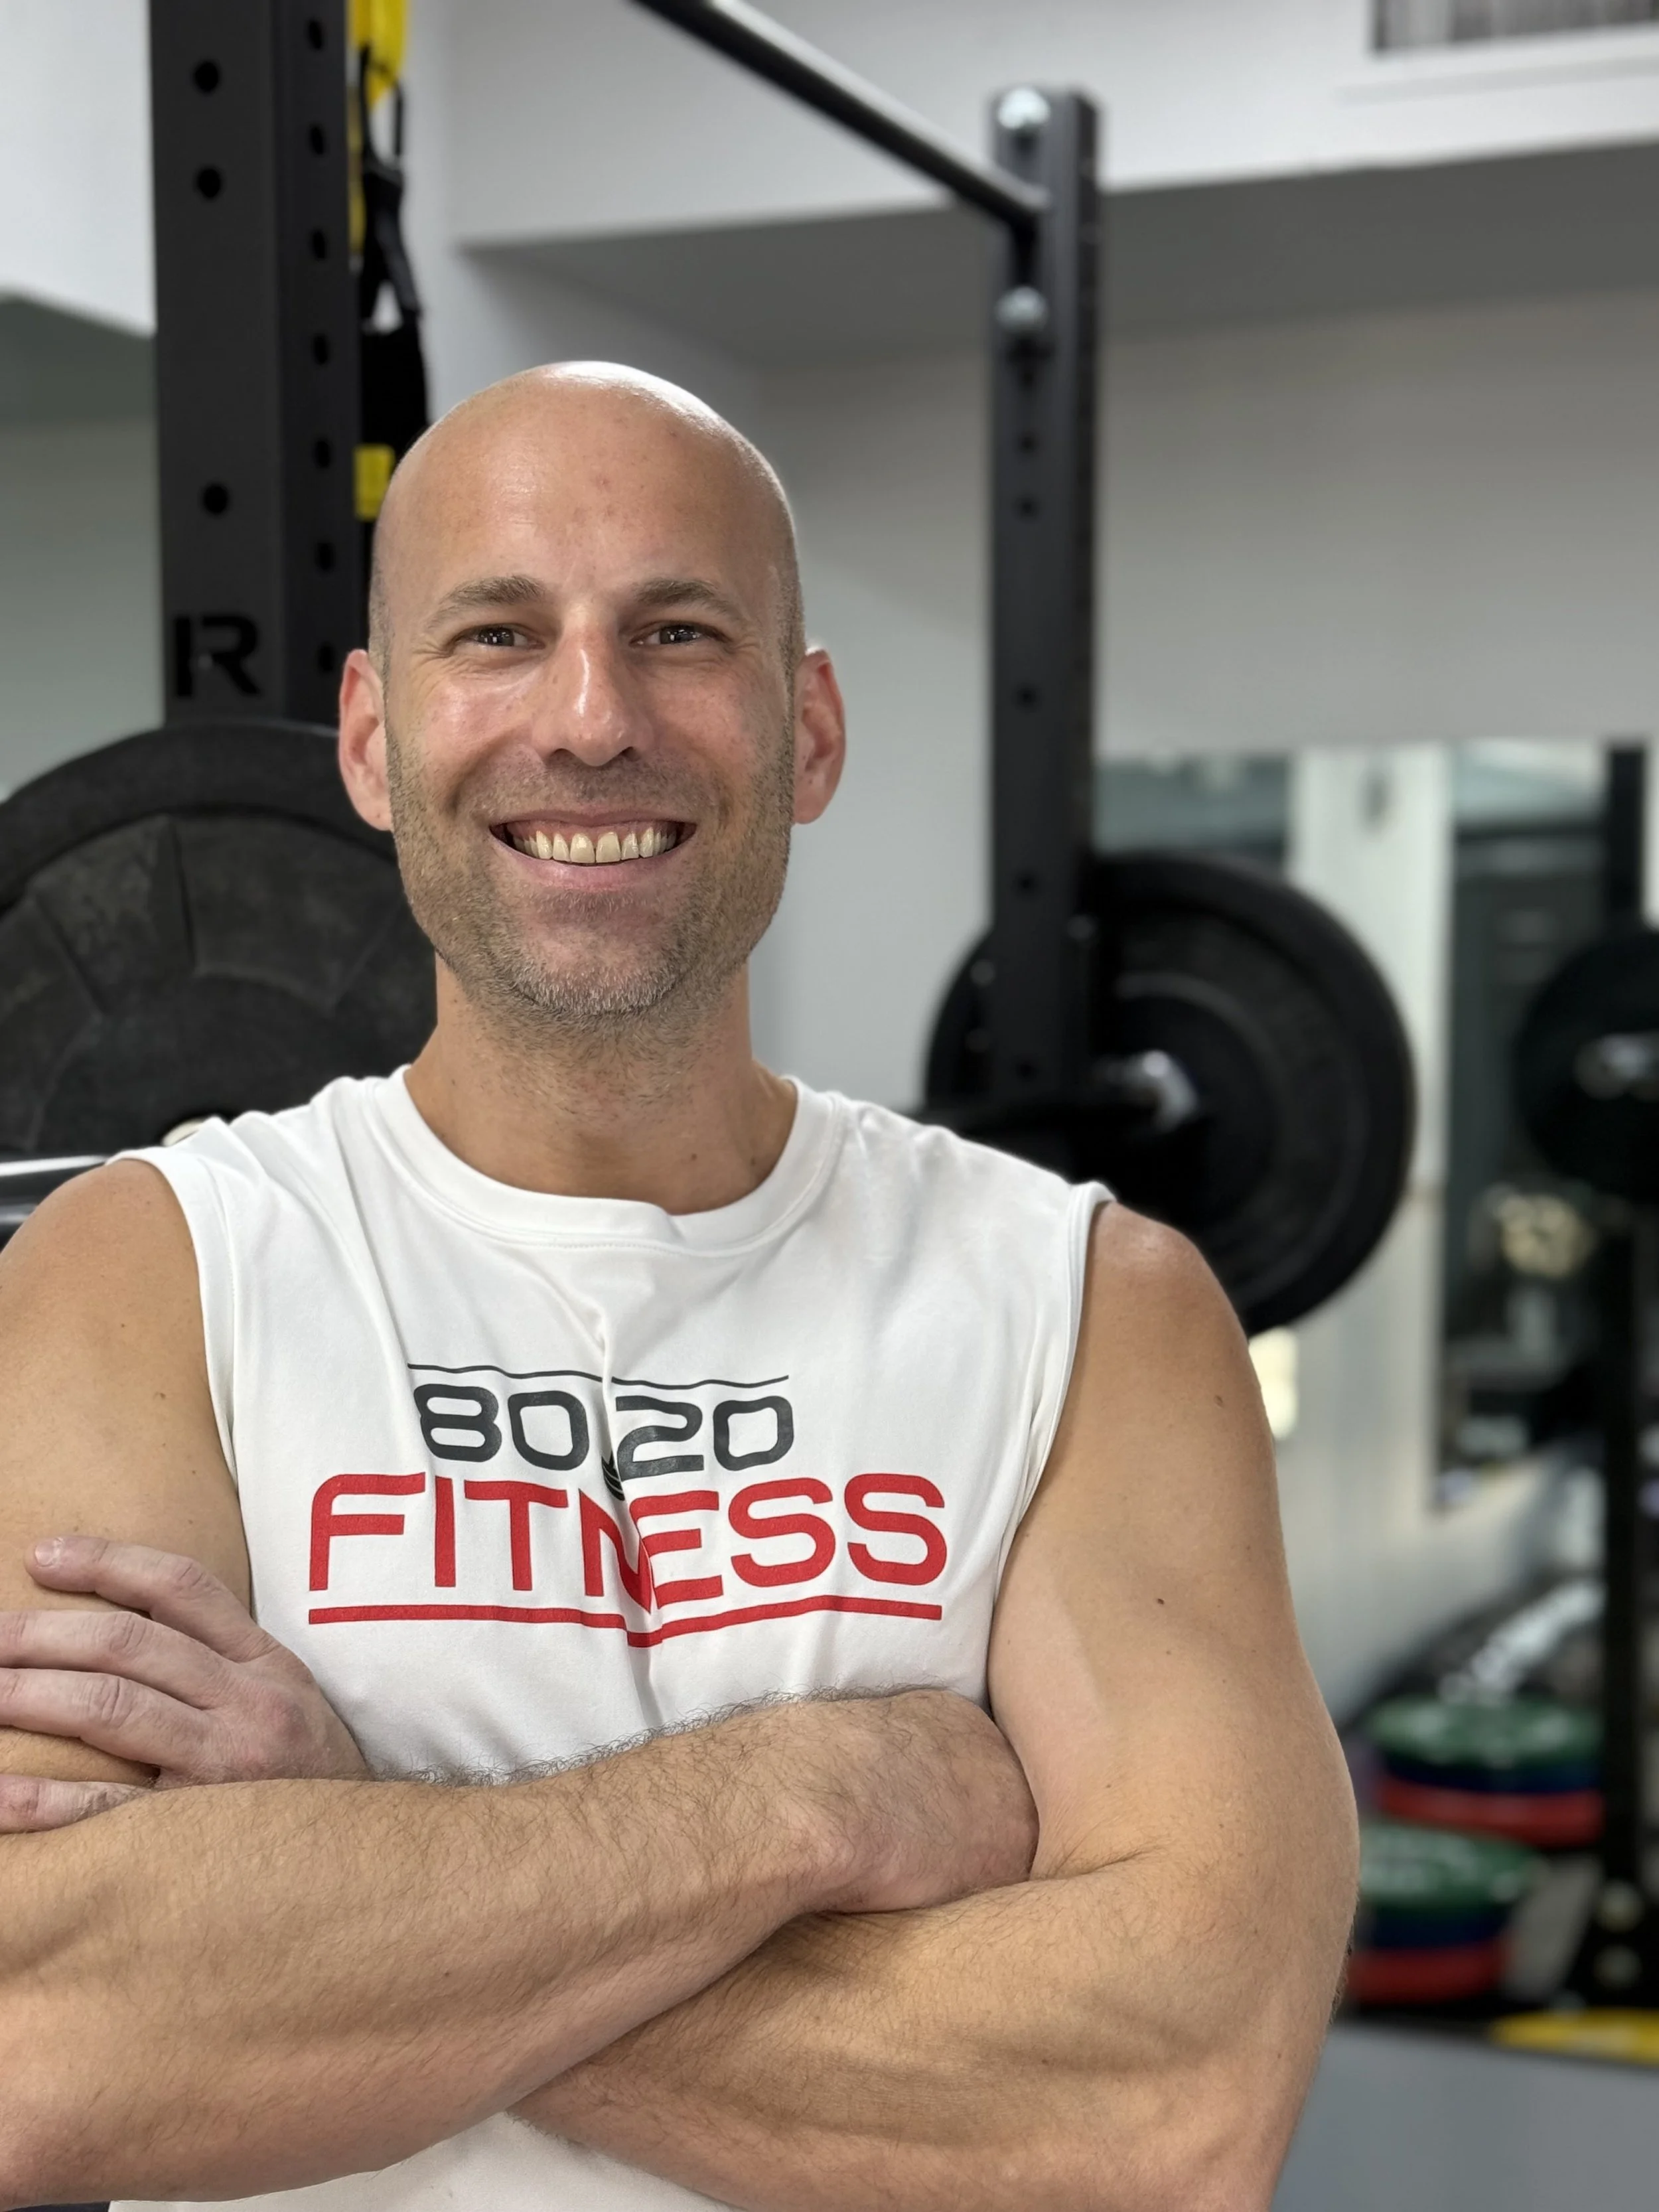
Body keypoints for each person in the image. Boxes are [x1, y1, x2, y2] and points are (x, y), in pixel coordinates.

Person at [0, 364, 1355, 2212]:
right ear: (372, 739)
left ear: (805, 728)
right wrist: (823, 1798)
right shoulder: (147, 1270)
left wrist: (347, 1865)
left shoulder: (1093, 1313)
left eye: (677, 632)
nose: (587, 717)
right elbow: (50, 2040)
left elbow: (1167, 2107)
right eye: (499, 633)